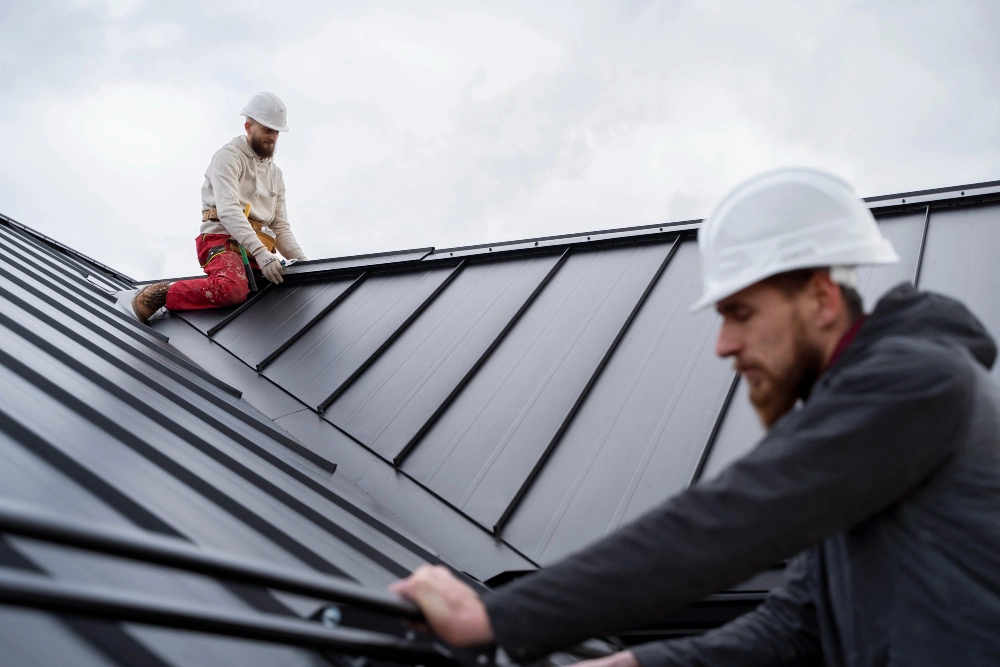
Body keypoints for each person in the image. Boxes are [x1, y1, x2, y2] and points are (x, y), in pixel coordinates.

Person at [390, 168, 1000, 666]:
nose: (723, 344)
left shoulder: (916, 381)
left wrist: (494, 616)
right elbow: (794, 626)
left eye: (740, 312)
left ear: (821, 297)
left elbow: (737, 515)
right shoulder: (869, 449)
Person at [126, 91, 308, 323]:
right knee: (232, 289)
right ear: (248, 126)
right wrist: (262, 253)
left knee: (284, 288)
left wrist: (305, 265)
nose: (272, 137)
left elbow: (280, 227)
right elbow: (229, 210)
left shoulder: (276, 174)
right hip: (222, 240)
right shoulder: (228, 157)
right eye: (267, 130)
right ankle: (160, 294)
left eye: (276, 131)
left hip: (257, 248)